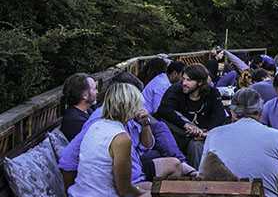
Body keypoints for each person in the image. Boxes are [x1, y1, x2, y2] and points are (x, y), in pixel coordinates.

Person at [64, 82, 167, 197]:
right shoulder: (120, 138)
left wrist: (143, 192)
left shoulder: (96, 125)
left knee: (152, 189)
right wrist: (145, 195)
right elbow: (124, 189)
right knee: (163, 196)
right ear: (130, 106)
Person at [60, 72, 192, 189]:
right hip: (121, 180)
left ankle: (191, 172)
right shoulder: (100, 122)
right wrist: (71, 192)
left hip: (134, 167)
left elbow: (147, 145)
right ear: (126, 100)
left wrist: (145, 124)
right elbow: (68, 158)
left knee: (173, 162)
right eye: (136, 101)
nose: (140, 106)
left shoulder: (126, 118)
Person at [155, 63, 228, 168]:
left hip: (203, 135)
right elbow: (164, 110)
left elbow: (220, 115)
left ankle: (198, 177)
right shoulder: (176, 90)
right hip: (180, 132)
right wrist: (186, 125)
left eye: (188, 80)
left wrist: (206, 132)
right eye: (183, 79)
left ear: (200, 82)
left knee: (197, 145)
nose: (184, 83)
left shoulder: (212, 93)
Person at [60, 73, 98, 141]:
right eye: (94, 89)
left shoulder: (87, 110)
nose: (97, 92)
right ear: (84, 95)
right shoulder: (75, 121)